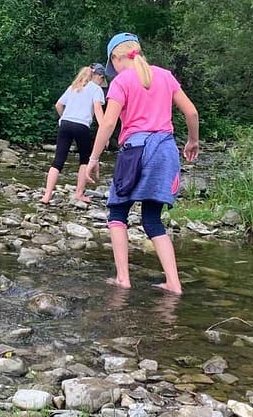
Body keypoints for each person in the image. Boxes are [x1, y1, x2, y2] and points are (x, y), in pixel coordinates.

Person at [85, 33, 200, 294]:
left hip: (136, 151)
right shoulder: (165, 76)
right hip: (166, 150)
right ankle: (174, 283)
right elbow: (192, 112)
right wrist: (193, 141)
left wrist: (93, 158)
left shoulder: (121, 81)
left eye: (112, 64)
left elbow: (108, 123)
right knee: (152, 219)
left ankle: (123, 279)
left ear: (116, 58)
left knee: (117, 213)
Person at [39, 63, 107, 204]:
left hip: (65, 124)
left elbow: (58, 105)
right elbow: (98, 111)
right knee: (84, 160)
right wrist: (104, 131)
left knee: (58, 160)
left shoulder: (74, 86)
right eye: (102, 80)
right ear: (99, 76)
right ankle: (79, 194)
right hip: (82, 125)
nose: (102, 83)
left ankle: (46, 196)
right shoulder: (96, 89)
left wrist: (64, 118)